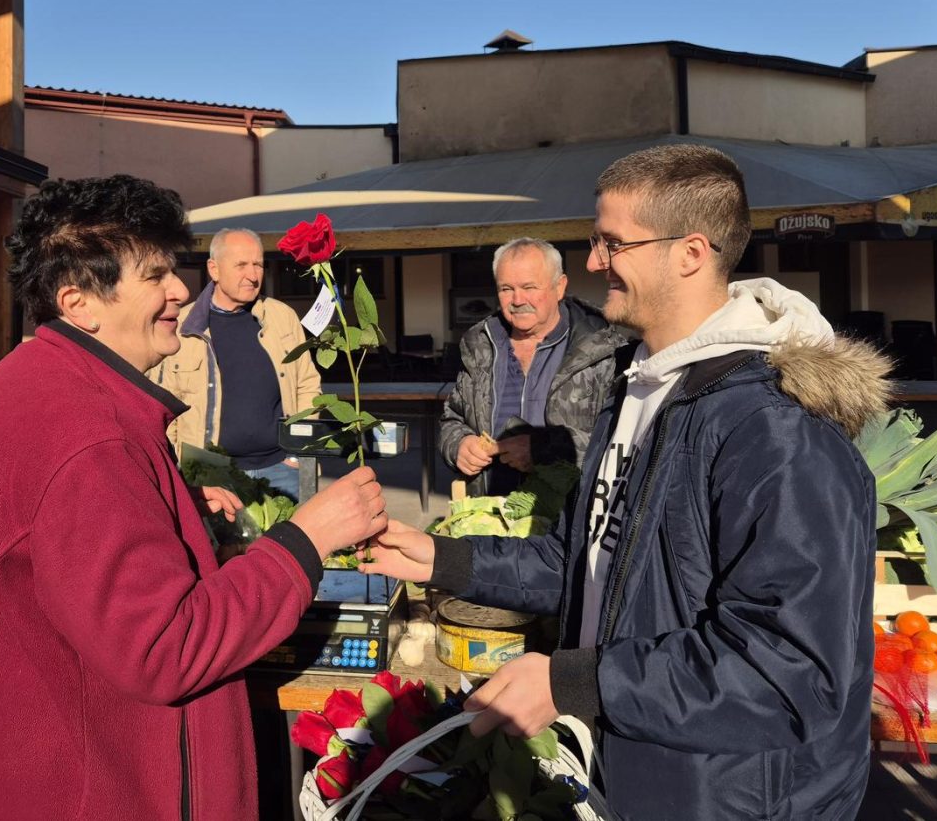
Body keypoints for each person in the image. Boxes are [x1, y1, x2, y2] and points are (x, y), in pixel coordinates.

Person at [364, 145, 891, 821]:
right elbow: (584, 564)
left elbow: (788, 670)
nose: (592, 263)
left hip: (728, 799)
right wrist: (444, 560)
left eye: (613, 243)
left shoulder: (775, 430)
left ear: (690, 252)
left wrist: (575, 682)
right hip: (637, 774)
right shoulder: (640, 390)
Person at [0, 176, 386, 821]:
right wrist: (304, 541)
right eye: (155, 276)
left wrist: (165, 506)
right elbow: (165, 650)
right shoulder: (87, 434)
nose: (180, 291)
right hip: (71, 785)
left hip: (25, 763)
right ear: (79, 302)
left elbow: (57, 541)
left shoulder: (38, 384)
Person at [439, 237, 627, 495]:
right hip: (490, 511)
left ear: (559, 287)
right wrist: (458, 444)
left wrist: (544, 452)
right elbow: (453, 418)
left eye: (529, 287)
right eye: (506, 289)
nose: (517, 299)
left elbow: (621, 442)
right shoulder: (480, 346)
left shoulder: (604, 351)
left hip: (567, 511)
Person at [150, 227, 321, 501]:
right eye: (241, 265)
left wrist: (298, 454)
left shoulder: (283, 318)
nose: (253, 275)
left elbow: (307, 385)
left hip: (281, 468)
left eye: (258, 265)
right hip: (209, 472)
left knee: (293, 531)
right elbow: (163, 407)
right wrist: (177, 466)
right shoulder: (181, 327)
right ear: (214, 269)